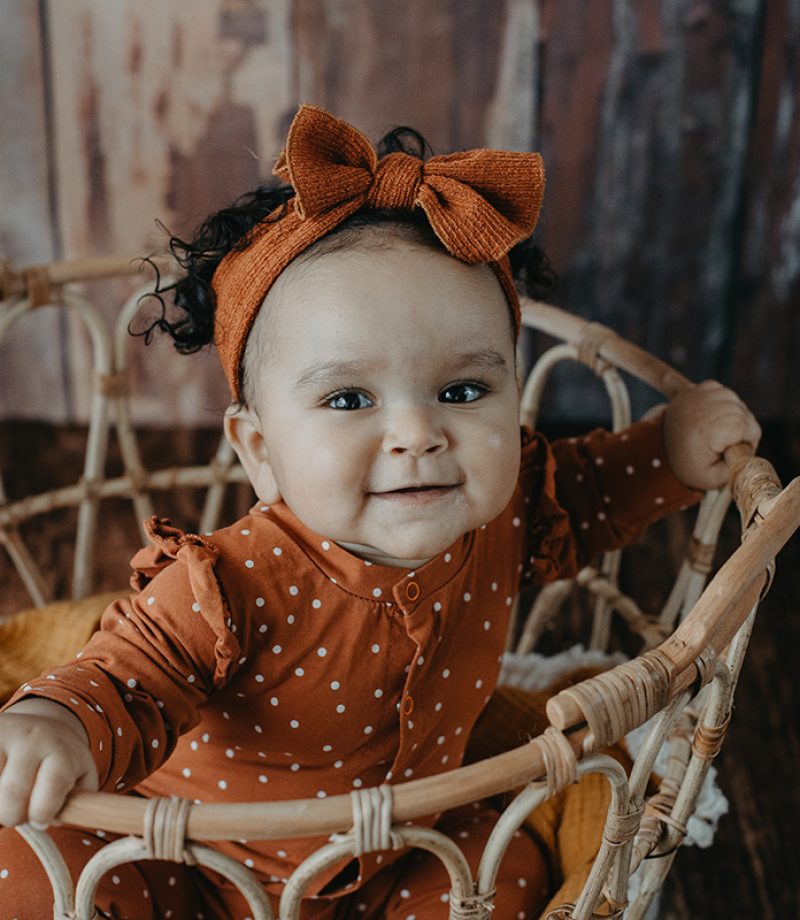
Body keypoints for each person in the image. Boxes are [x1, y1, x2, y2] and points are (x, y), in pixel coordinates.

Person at [0, 105, 760, 919]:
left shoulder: (506, 515)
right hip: (179, 861)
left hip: (396, 858)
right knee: (31, 866)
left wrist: (670, 448)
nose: (418, 434)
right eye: (349, 398)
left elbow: (591, 492)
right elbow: (131, 676)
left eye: (462, 390)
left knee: (504, 869)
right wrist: (60, 721)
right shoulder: (232, 581)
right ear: (259, 450)